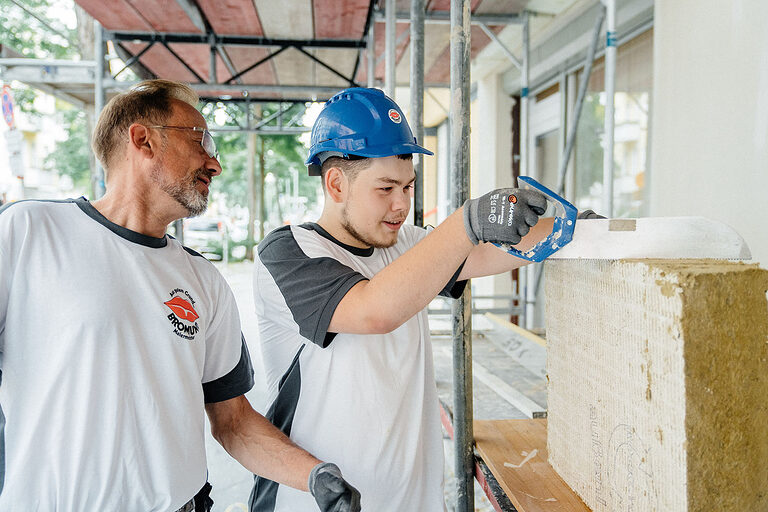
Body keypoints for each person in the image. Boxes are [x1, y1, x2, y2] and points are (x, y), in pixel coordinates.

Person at [0, 80, 360, 512]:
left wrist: (312, 474)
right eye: (202, 141)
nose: (215, 164)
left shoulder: (202, 279)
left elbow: (234, 422)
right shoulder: (29, 232)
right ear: (143, 139)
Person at [250, 87, 554, 511]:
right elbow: (375, 310)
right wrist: (468, 222)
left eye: (408, 187)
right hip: (317, 503)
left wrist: (573, 232)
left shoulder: (404, 243)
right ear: (336, 183)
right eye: (386, 188)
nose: (401, 204)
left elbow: (488, 250)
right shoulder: (289, 252)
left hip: (411, 500)